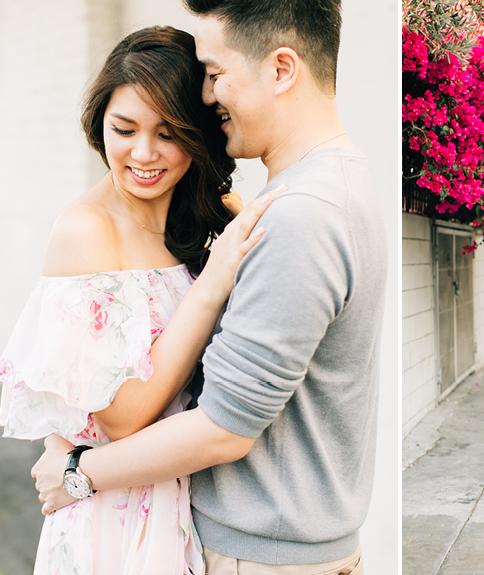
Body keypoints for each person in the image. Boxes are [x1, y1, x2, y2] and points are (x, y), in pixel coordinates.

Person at [32, 1, 388, 574]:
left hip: (260, 550)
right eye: (125, 128)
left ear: (280, 69)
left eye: (216, 73)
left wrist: (78, 470)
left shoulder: (298, 213)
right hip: (173, 526)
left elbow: (225, 426)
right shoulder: (307, 193)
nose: (208, 94)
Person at [0, 26, 279, 574]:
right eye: (123, 129)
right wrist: (214, 280)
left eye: (169, 132)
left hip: (193, 503)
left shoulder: (210, 211)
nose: (144, 154)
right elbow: (123, 417)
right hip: (112, 512)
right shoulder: (86, 232)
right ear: (98, 121)